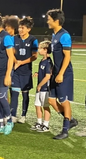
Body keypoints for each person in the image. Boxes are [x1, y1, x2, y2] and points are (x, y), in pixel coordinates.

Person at [46, 9, 78, 139]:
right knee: (52, 100)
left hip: (64, 74)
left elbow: (67, 57)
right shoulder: (55, 35)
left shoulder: (65, 35)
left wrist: (61, 74)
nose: (47, 21)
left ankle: (65, 130)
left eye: (49, 19)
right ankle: (70, 120)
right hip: (56, 72)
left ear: (56, 20)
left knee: (64, 101)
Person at [10, 17, 38, 123]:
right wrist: (15, 61)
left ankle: (23, 115)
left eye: (22, 28)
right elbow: (11, 52)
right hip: (16, 72)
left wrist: (21, 62)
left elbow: (34, 56)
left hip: (26, 72)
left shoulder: (33, 40)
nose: (20, 30)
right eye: (19, 27)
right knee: (15, 93)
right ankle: (13, 115)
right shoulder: (14, 38)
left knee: (25, 93)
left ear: (28, 29)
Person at [31, 40, 52, 132]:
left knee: (45, 106)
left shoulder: (48, 61)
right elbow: (43, 73)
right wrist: (38, 73)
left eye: (40, 48)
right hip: (40, 88)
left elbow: (48, 76)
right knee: (37, 105)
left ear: (45, 50)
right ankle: (39, 123)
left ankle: (46, 125)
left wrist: (40, 85)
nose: (38, 50)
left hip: (45, 88)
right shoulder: (42, 60)